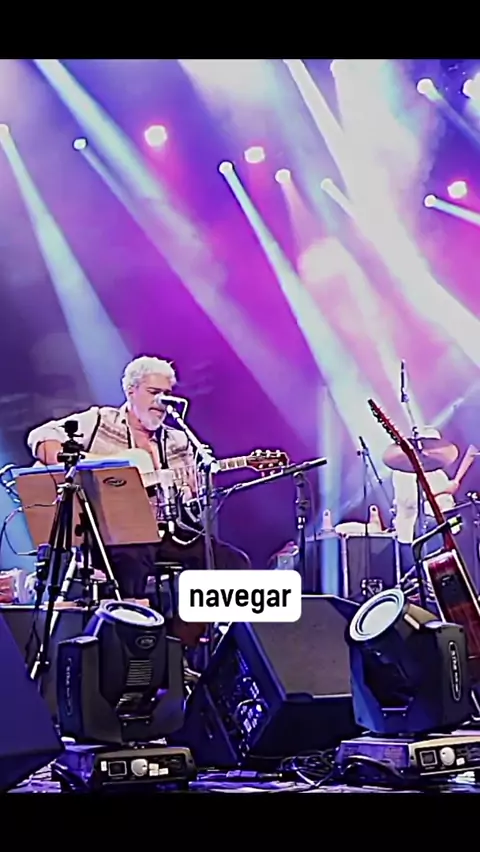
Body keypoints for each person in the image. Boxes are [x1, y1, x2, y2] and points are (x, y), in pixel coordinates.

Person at [26, 355, 251, 603]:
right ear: (131, 391)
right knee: (132, 557)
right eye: (153, 392)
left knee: (232, 561)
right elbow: (41, 437)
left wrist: (192, 492)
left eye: (167, 394)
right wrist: (91, 466)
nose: (161, 402)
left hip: (166, 534)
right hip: (107, 534)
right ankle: (127, 621)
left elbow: (187, 505)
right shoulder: (100, 420)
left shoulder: (178, 440)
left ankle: (195, 626)